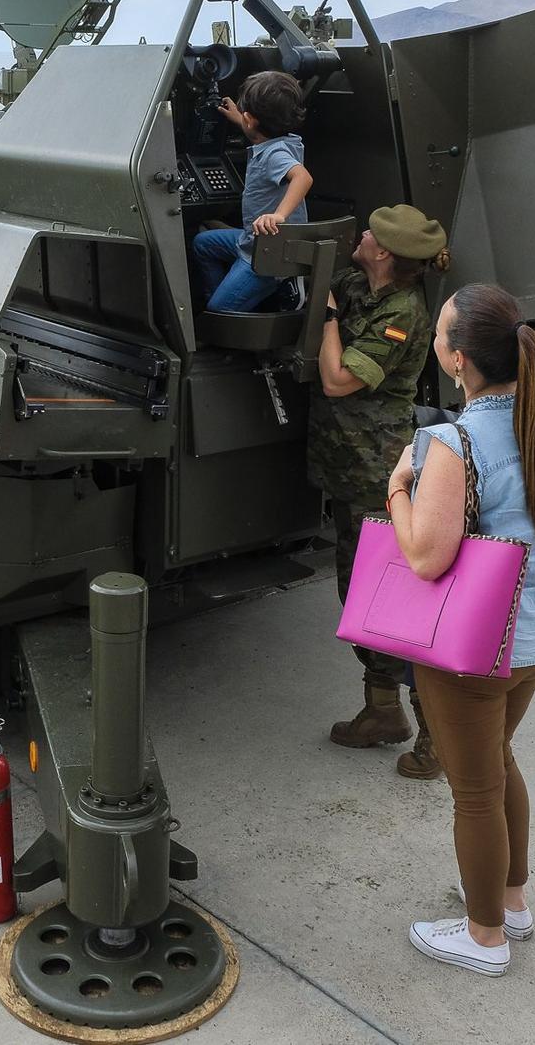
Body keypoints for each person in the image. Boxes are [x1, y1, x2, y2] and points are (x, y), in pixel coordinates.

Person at [387, 283, 535, 977]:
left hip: (475, 645)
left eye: (442, 332)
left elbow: (423, 555)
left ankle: (483, 938)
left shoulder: (452, 442)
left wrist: (396, 488)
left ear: (457, 361)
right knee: (497, 760)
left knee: (474, 791)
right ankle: (514, 902)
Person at [308, 206, 450, 775]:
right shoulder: (357, 282)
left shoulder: (402, 310)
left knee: (395, 603)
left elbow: (339, 380)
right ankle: (383, 711)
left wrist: (324, 320)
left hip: (377, 474)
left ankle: (437, 733)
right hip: (348, 469)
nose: (361, 236)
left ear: (386, 253)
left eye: (369, 234)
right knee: (362, 597)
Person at [190, 72, 312, 312]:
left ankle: (226, 310)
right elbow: (263, 138)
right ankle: (227, 297)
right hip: (252, 240)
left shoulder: (275, 154)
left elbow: (302, 177)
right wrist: (240, 120)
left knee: (218, 309)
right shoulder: (281, 141)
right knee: (202, 244)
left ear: (250, 119)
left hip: (268, 253)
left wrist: (278, 215)